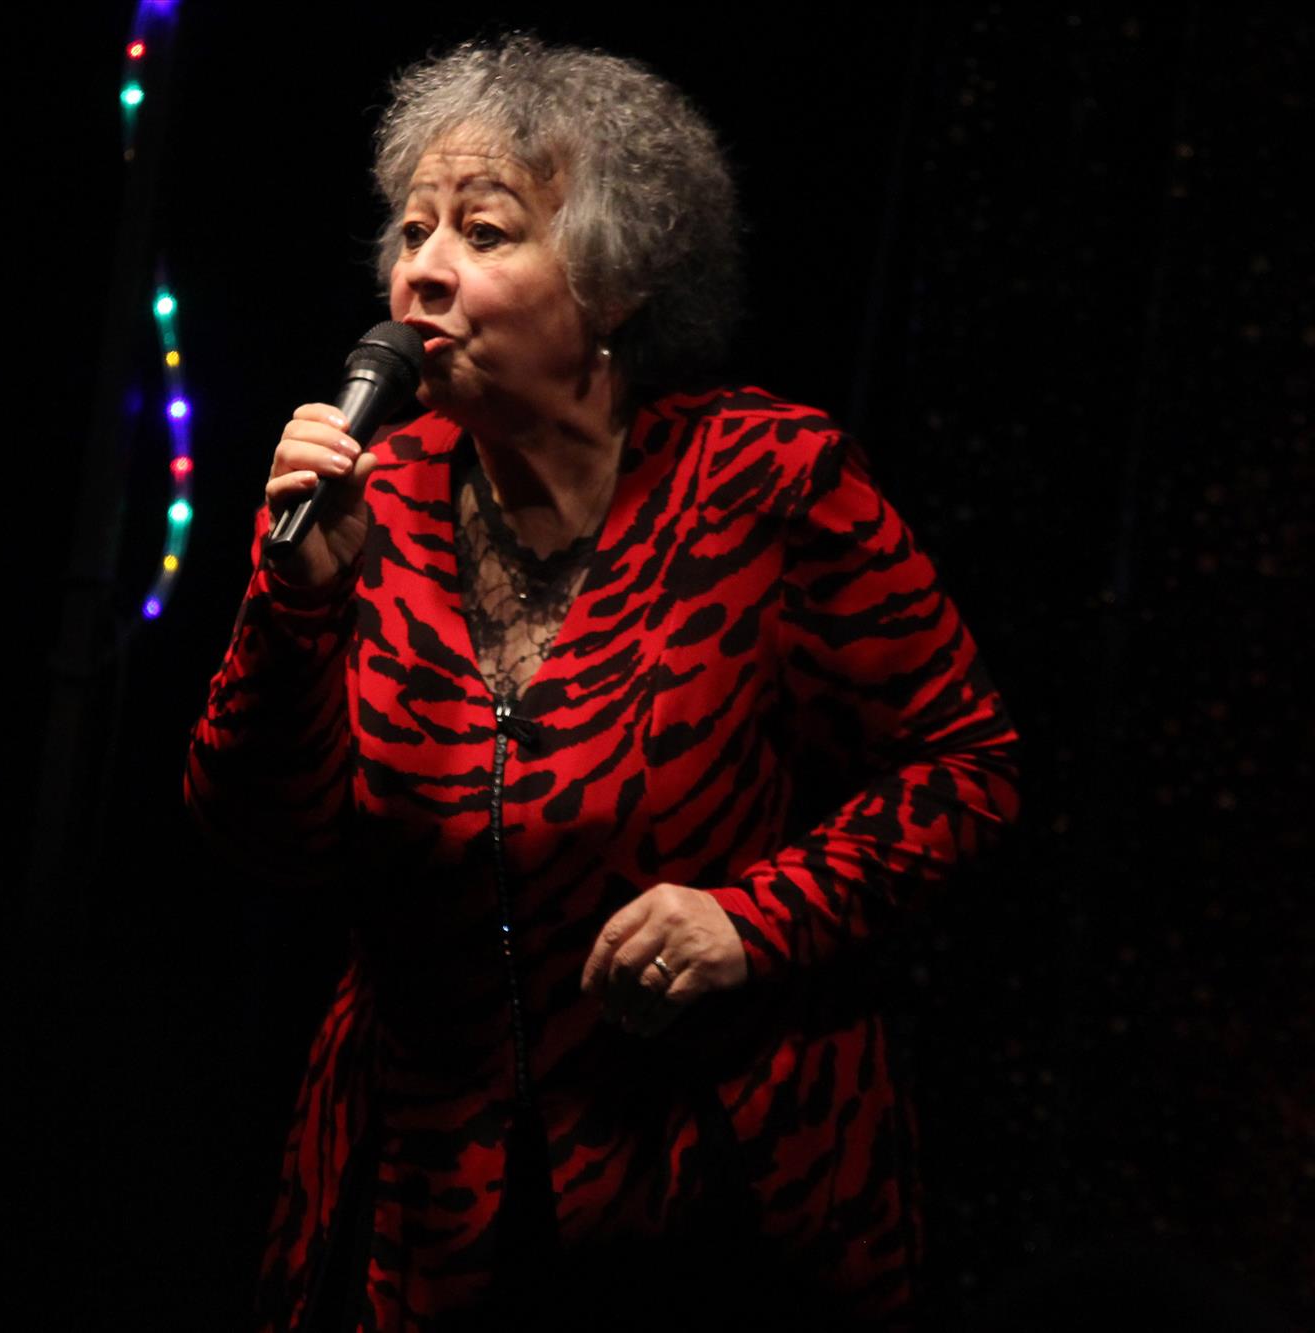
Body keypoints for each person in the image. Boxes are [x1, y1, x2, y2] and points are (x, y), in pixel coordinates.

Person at [186, 35, 1019, 1331]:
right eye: (413, 229)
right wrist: (295, 601)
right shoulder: (373, 499)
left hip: (712, 1180)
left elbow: (969, 770)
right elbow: (262, 836)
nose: (424, 269)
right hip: (421, 1200)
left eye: (484, 231)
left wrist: (759, 918)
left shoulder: (766, 480)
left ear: (618, 281)